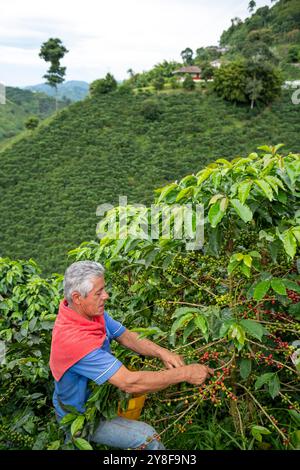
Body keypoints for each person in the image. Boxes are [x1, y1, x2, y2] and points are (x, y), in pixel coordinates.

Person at [49, 260, 214, 450]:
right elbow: (130, 383)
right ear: (77, 297)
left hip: (94, 400)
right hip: (80, 415)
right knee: (147, 438)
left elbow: (127, 337)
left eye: (104, 289)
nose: (106, 296)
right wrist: (185, 374)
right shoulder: (74, 340)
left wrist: (162, 352)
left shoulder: (89, 313)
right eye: (99, 293)